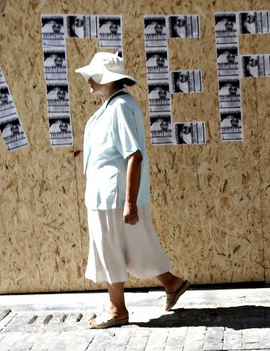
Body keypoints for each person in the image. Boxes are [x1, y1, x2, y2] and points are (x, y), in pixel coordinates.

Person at [75, 51, 189, 330]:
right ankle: (172, 283)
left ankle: (117, 308)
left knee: (110, 249)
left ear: (108, 79)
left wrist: (129, 202)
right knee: (137, 246)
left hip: (113, 196)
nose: (89, 80)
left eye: (95, 75)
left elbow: (133, 155)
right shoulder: (112, 106)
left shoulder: (120, 107)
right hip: (107, 195)